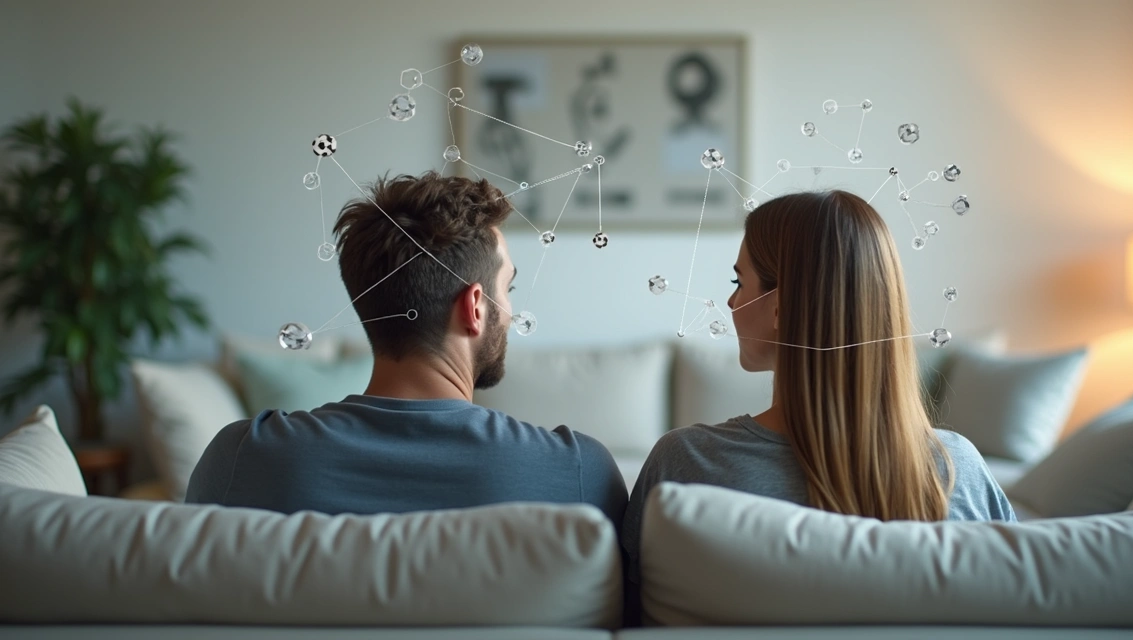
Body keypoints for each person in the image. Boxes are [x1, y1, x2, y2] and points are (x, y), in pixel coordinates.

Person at [622, 191, 1015, 620]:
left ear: (779, 305)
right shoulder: (958, 469)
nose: (732, 303)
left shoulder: (687, 466)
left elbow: (629, 617)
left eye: (739, 283)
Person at [187, 172, 627, 530]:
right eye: (507, 288)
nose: (510, 311)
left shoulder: (241, 458)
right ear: (475, 307)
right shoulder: (579, 473)